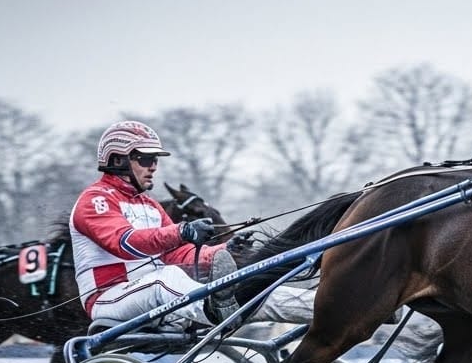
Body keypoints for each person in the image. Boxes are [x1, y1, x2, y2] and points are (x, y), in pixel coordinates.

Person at [71, 120, 312, 329]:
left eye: (155, 159)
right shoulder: (95, 200)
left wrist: (223, 251)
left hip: (166, 299)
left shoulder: (150, 205)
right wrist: (182, 230)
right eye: (145, 159)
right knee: (166, 278)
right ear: (117, 159)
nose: (153, 166)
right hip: (110, 298)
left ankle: (320, 307)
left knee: (251, 288)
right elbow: (125, 243)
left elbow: (175, 254)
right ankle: (216, 309)